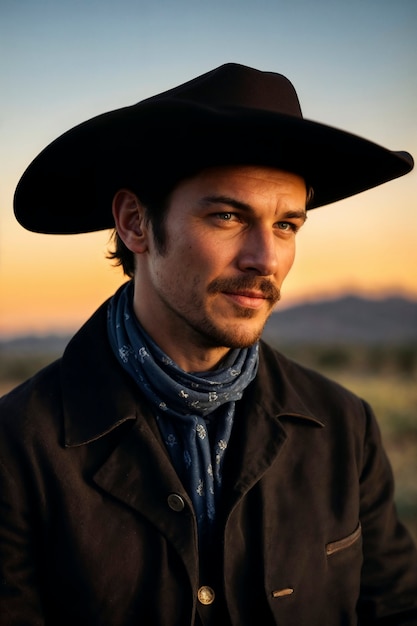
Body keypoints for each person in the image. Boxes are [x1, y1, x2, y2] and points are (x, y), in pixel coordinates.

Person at [0, 63, 416, 626]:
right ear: (135, 223)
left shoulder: (345, 427)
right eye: (227, 215)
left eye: (287, 226)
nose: (265, 258)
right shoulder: (19, 447)